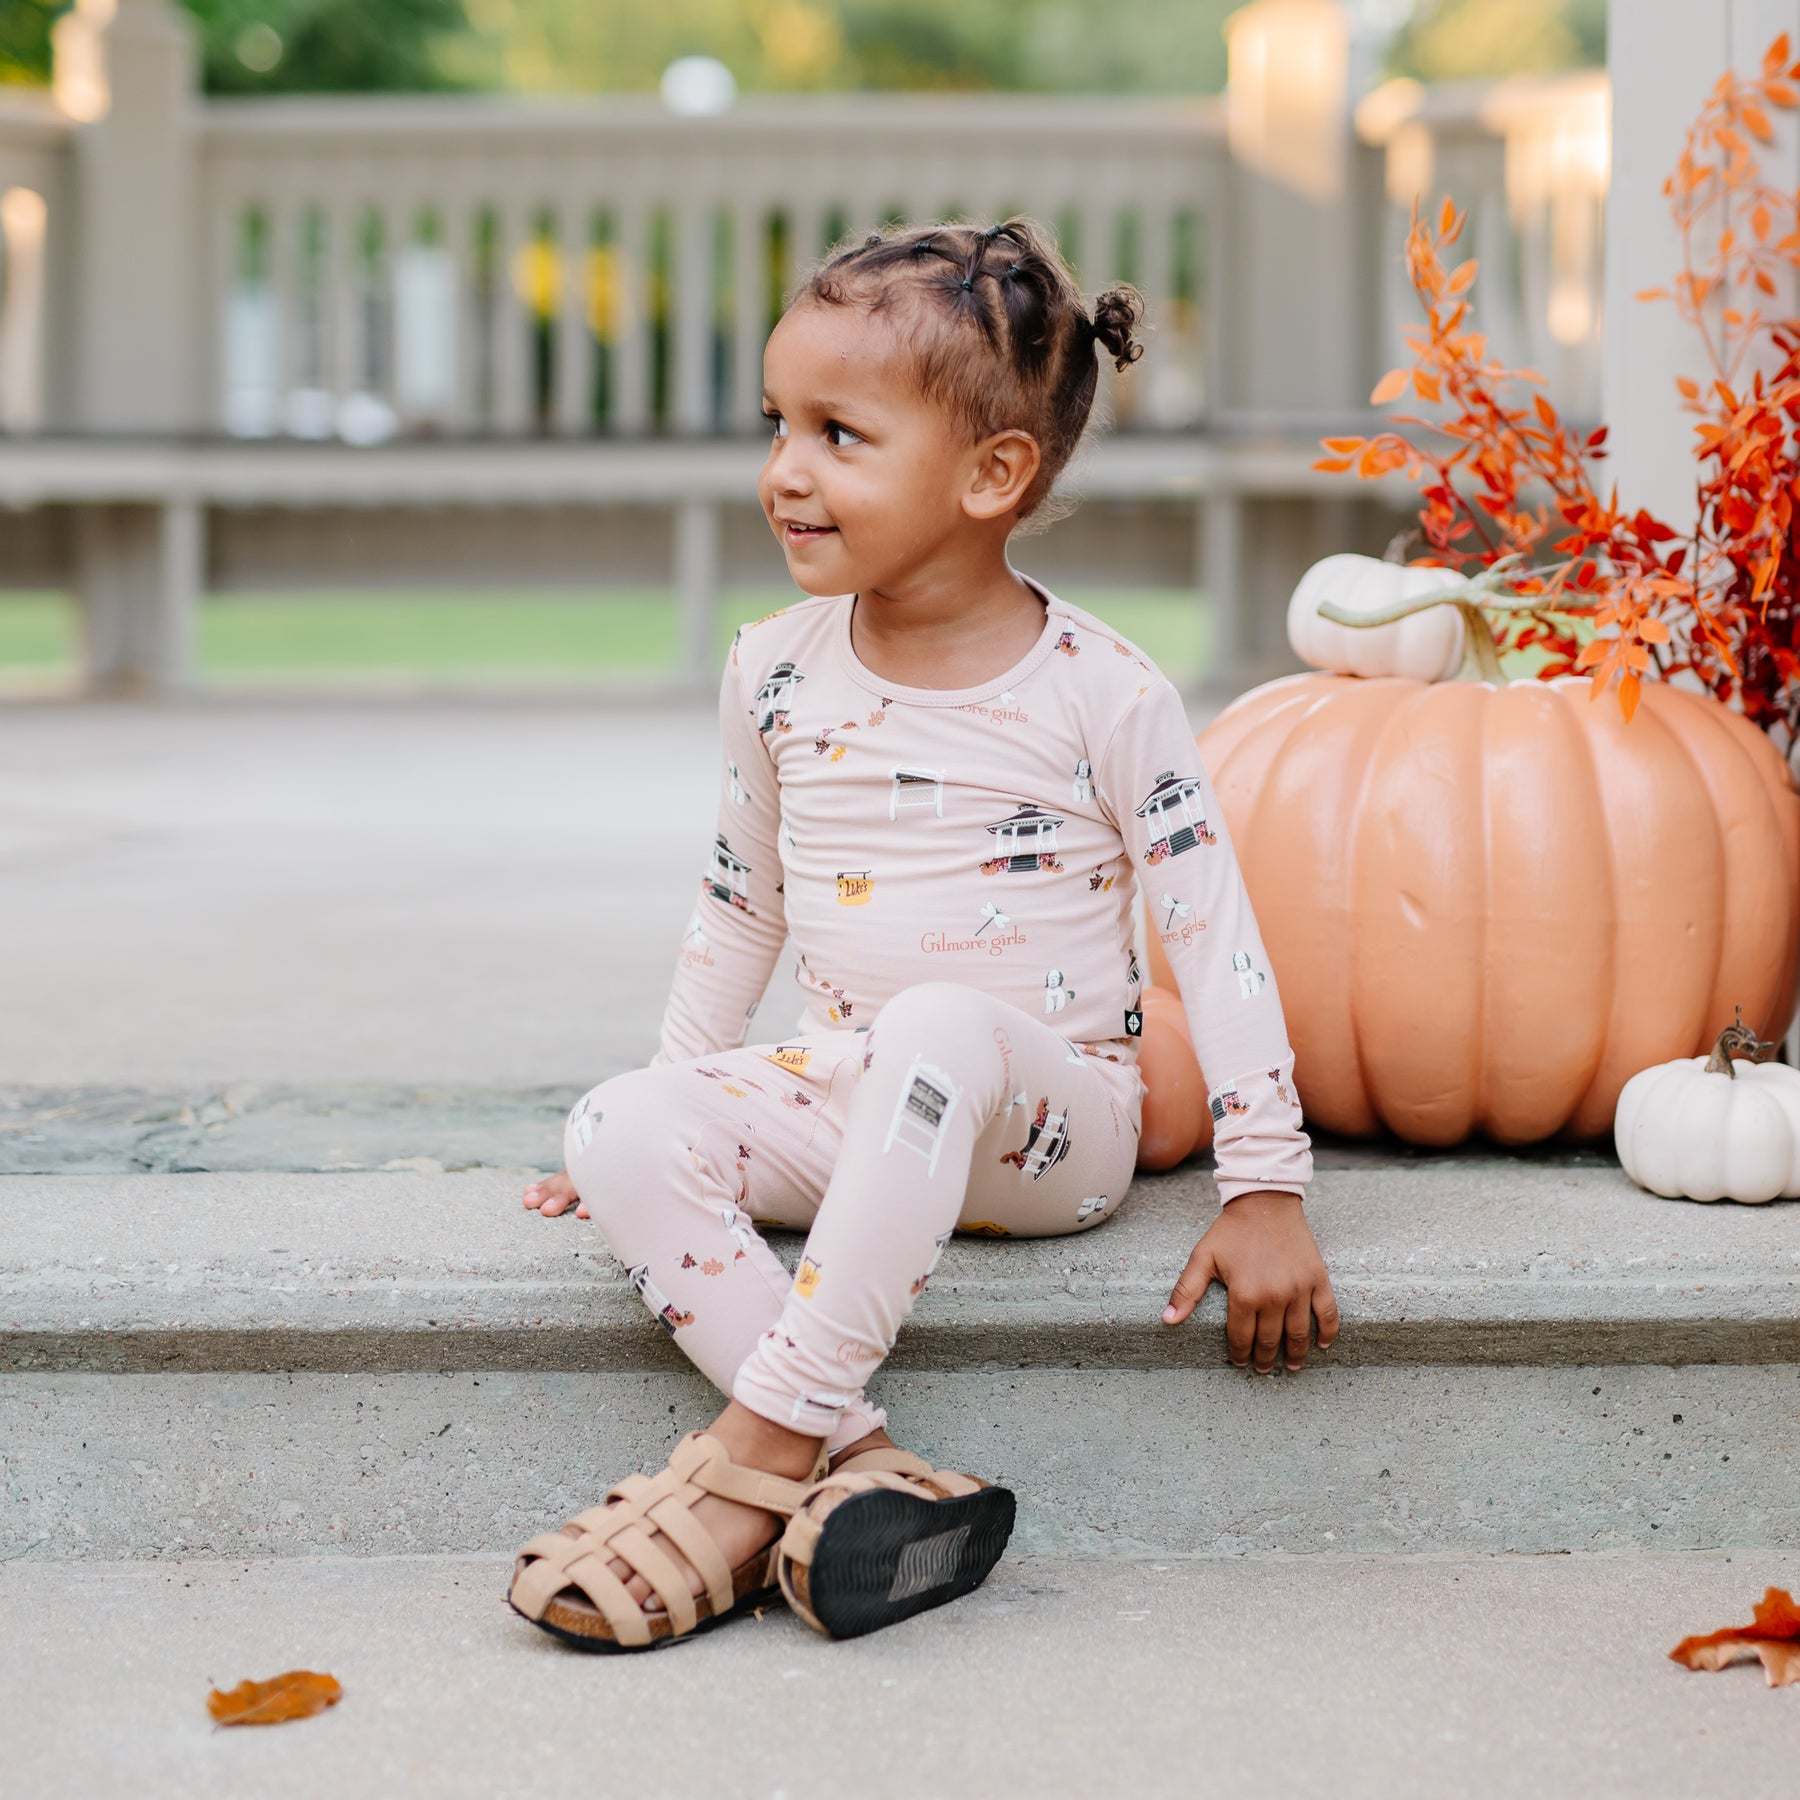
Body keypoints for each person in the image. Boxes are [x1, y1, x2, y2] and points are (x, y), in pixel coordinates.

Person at [508, 217, 1337, 1653]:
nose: (784, 469)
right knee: (614, 1123)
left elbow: (1215, 936)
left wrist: (1265, 1185)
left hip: (1049, 1122)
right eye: (777, 422)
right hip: (859, 1095)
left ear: (992, 475)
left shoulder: (1103, 691)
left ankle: (754, 1461)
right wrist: (681, 1096)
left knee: (936, 1026)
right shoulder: (771, 668)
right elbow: (739, 901)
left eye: (837, 433)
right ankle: (866, 1472)